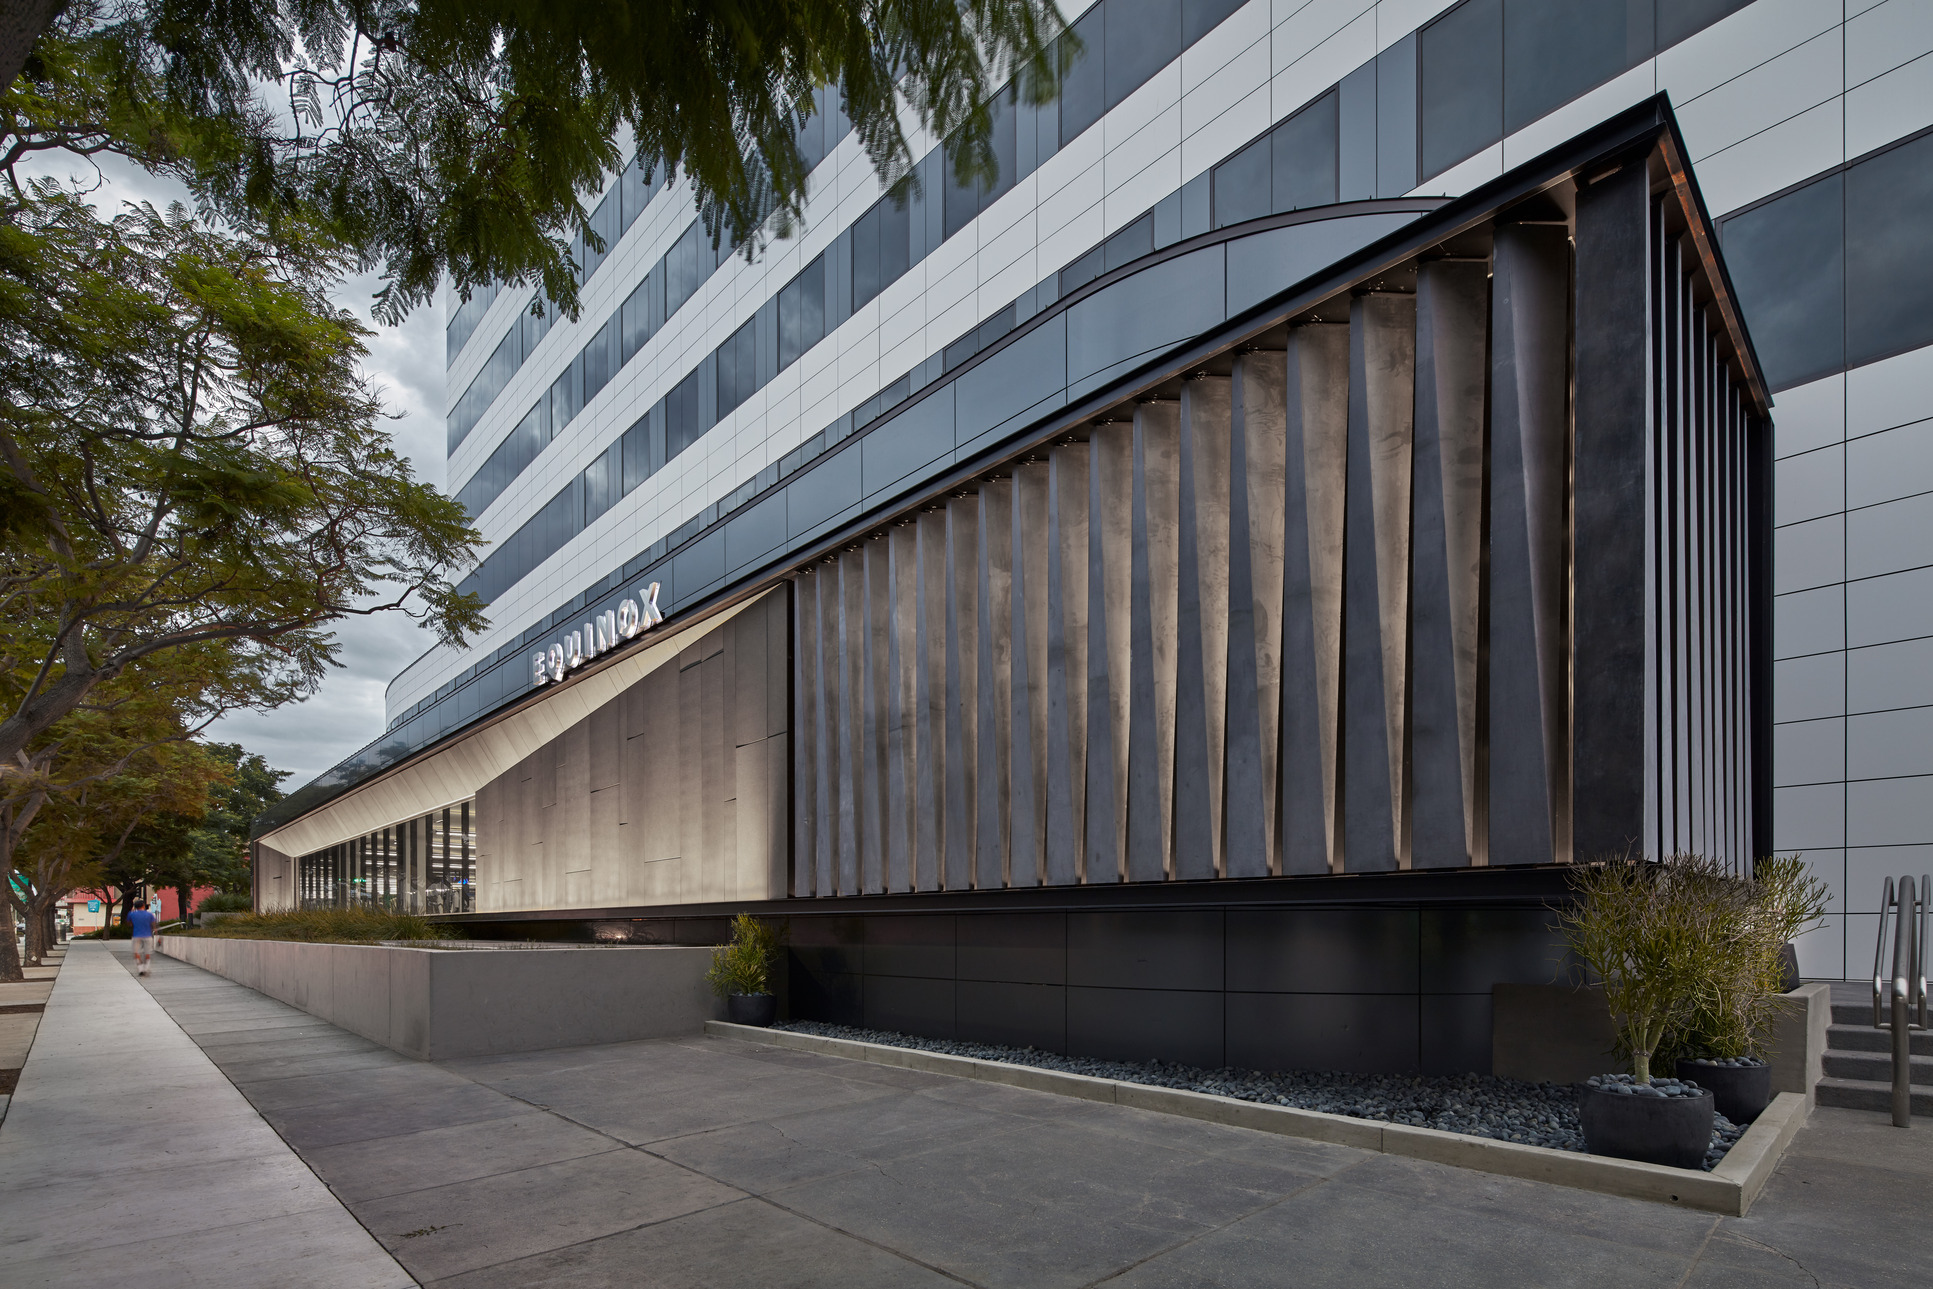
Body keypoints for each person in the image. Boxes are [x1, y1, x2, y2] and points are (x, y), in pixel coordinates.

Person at [127, 899, 158, 976]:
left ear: (135, 907)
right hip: (148, 935)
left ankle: (140, 969)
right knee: (147, 953)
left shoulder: (131, 914)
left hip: (136, 936)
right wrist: (156, 934)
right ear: (143, 906)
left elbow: (129, 924)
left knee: (136, 952)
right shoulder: (150, 914)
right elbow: (154, 926)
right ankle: (146, 968)